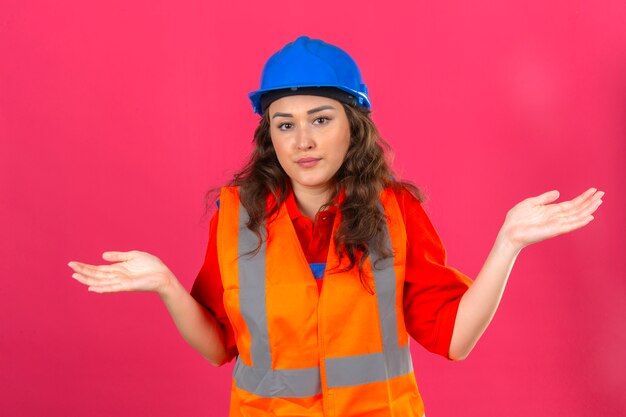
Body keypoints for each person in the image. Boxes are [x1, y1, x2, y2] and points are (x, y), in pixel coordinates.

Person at [68, 36, 604, 416]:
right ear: (269, 136)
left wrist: (507, 243)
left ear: (354, 125)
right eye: (285, 124)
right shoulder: (236, 216)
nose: (302, 141)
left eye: (320, 119)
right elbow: (218, 347)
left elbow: (456, 339)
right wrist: (164, 284)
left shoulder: (396, 212)